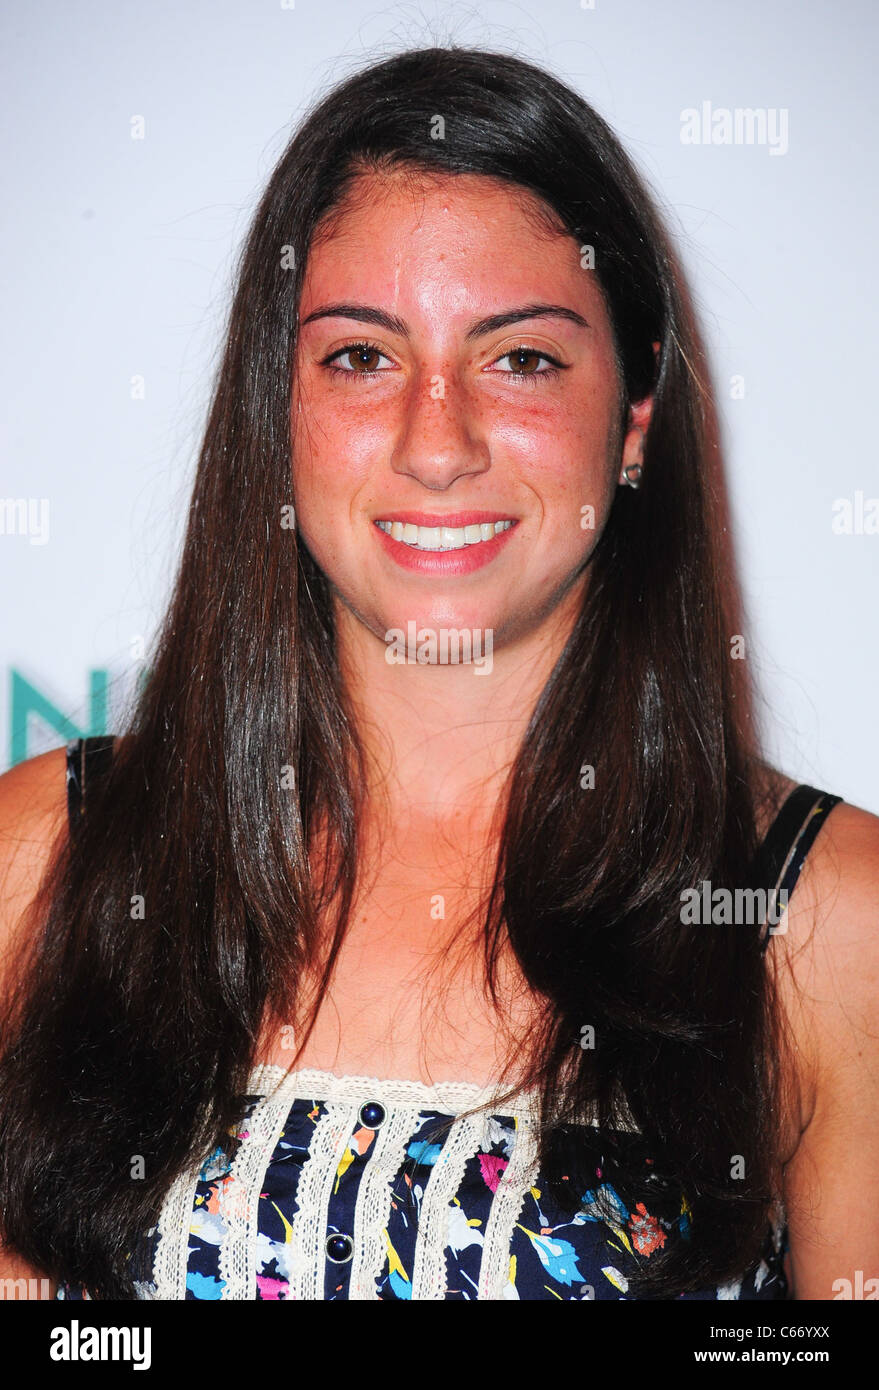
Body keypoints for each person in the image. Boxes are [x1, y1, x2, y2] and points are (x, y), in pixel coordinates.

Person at [0, 45, 877, 1303]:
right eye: (362, 356)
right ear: (277, 406)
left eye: (521, 358)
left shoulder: (830, 925)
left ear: (633, 419)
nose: (438, 441)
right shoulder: (41, 863)